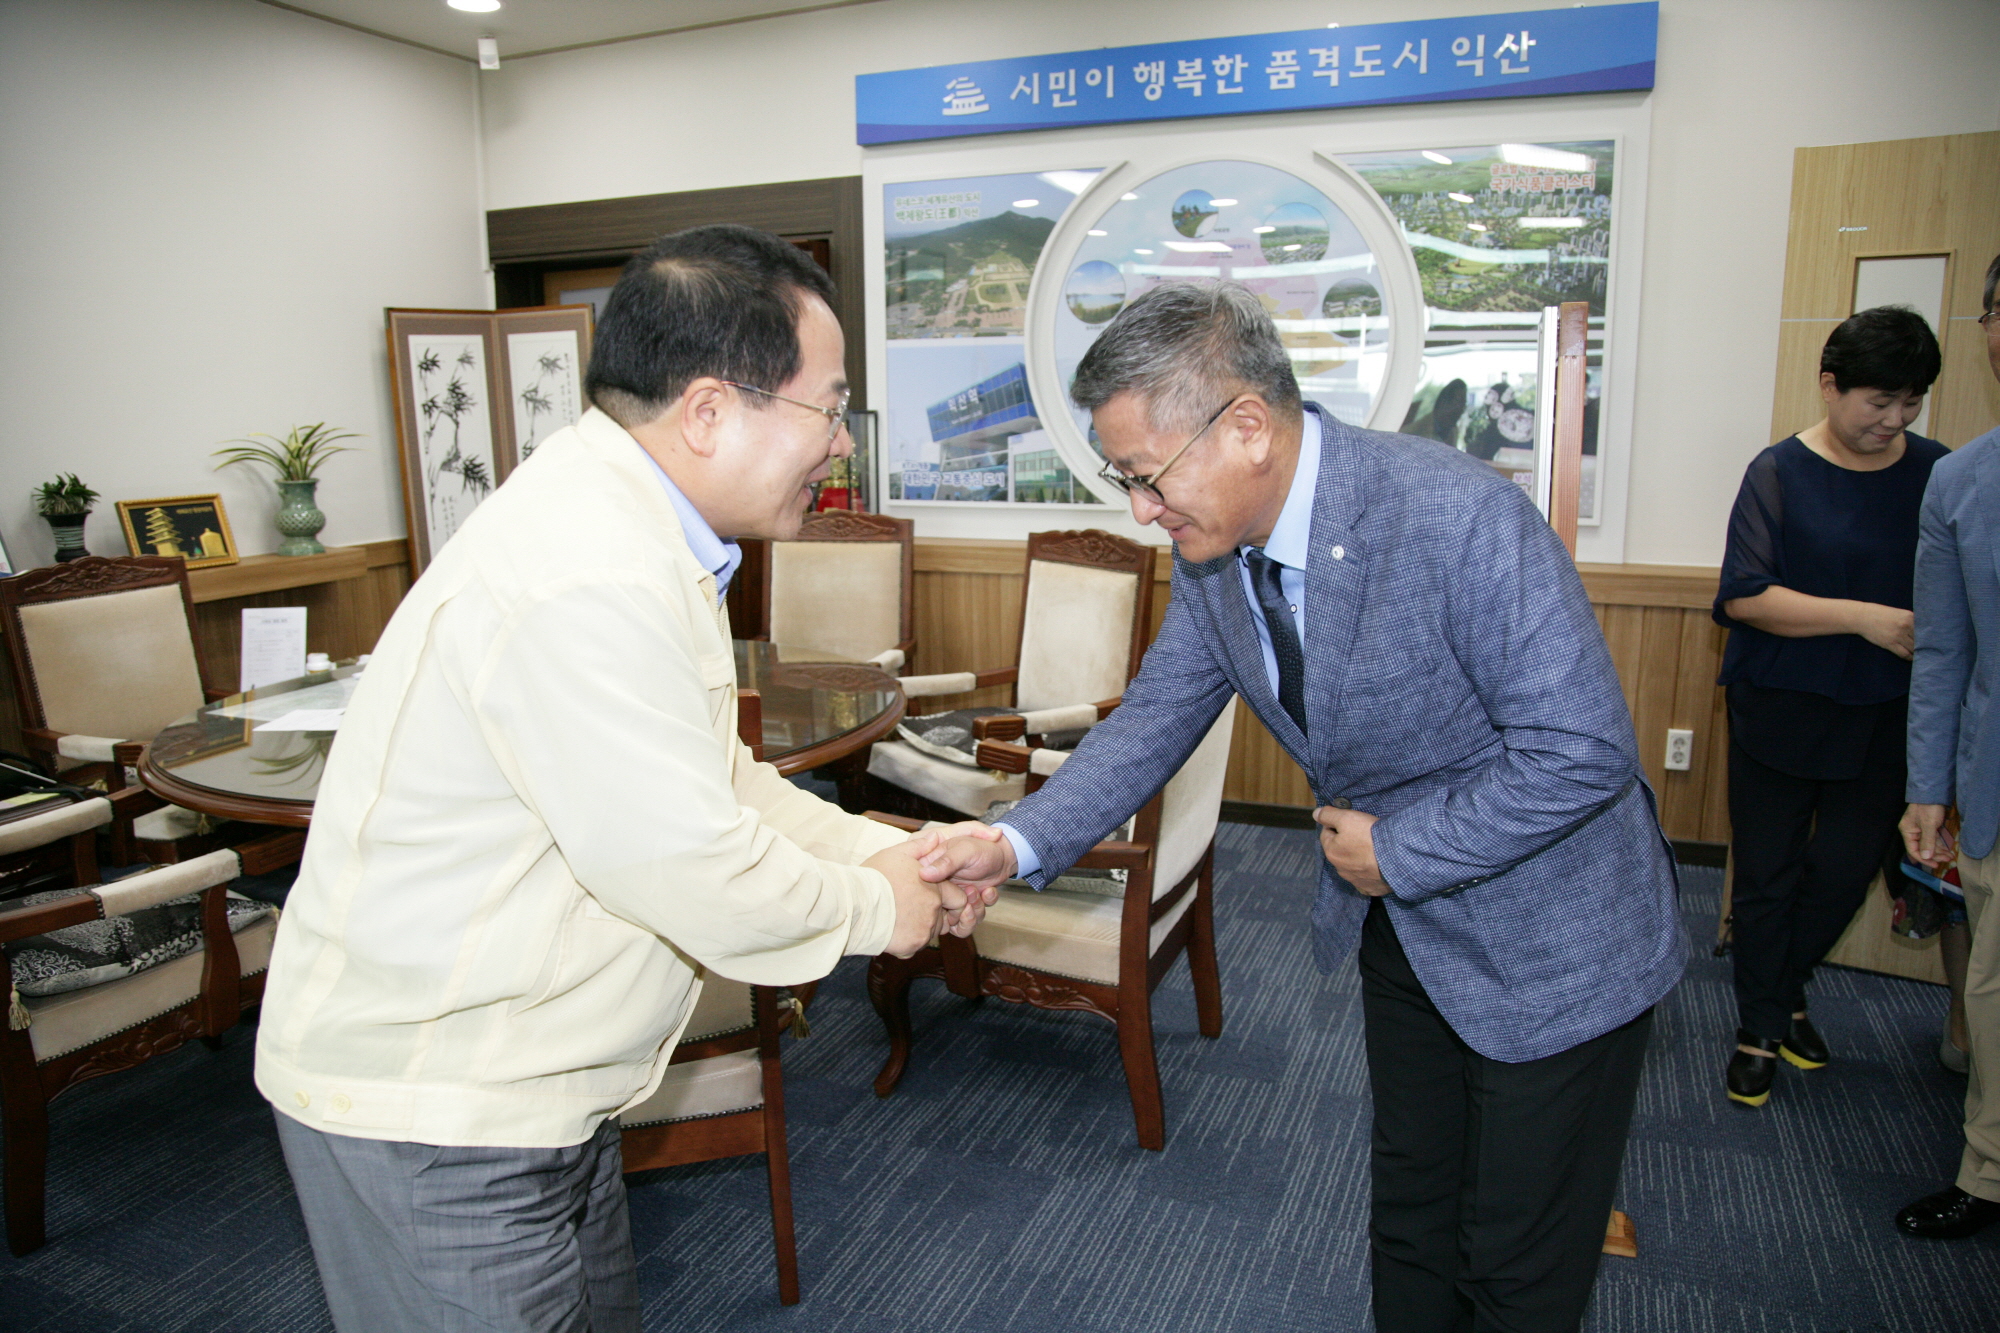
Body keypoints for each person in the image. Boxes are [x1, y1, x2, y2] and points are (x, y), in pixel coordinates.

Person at [254, 225, 985, 1331]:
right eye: (827, 407)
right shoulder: (584, 571)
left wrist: (881, 851)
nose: (840, 442)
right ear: (706, 409)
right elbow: (691, 863)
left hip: (543, 1088)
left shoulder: (642, 535)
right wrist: (886, 905)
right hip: (438, 1107)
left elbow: (719, 784)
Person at [927, 281, 1684, 1333]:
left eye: (1145, 477)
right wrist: (1010, 844)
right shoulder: (1211, 555)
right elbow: (1151, 721)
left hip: (1555, 939)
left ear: (1245, 427)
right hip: (1404, 931)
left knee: (1516, 1260)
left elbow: (1580, 753)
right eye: (1123, 481)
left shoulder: (1454, 515)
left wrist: (1403, 848)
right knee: (1412, 1215)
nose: (1138, 510)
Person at [1712, 306, 1947, 1107]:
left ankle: (1783, 997)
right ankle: (1759, 1029)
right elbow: (1744, 597)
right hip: (1780, 702)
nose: (1893, 420)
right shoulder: (1778, 471)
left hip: (1885, 711)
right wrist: (1865, 616)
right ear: (1829, 383)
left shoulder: (1938, 475)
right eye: (1877, 401)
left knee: (1844, 874)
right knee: (1768, 875)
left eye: (1909, 402)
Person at [1896, 253, 2000, 1240]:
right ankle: (1987, 1170)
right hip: (1991, 776)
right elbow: (1943, 648)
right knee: (1990, 985)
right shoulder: (1961, 482)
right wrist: (1926, 783)